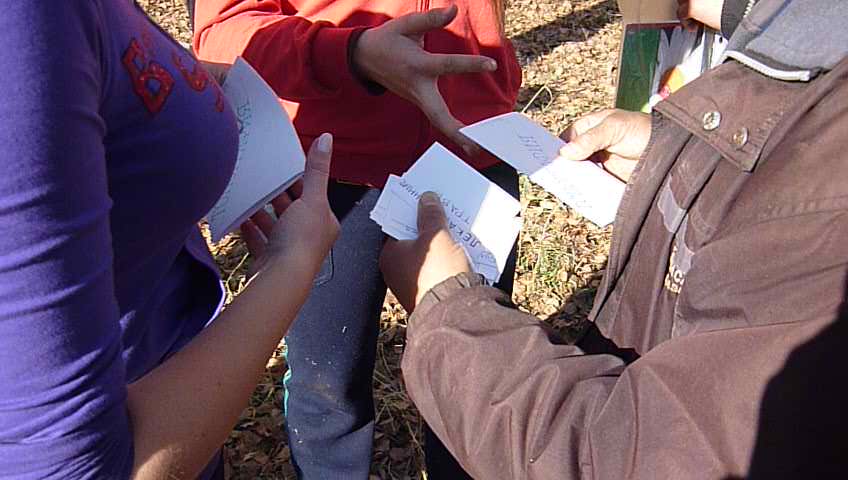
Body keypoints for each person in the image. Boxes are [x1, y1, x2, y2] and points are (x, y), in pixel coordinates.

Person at [381, 0, 848, 477]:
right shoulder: (805, 49)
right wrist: (675, 157)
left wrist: (447, 312)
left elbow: (630, 454)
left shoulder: (828, 211)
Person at [0, 2, 339, 479]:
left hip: (174, 396)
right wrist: (292, 264)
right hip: (158, 426)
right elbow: (90, 469)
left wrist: (175, 86)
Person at [191, 0, 522, 477]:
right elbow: (222, 34)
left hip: (475, 155)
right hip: (334, 169)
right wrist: (351, 52)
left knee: (473, 378)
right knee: (327, 386)